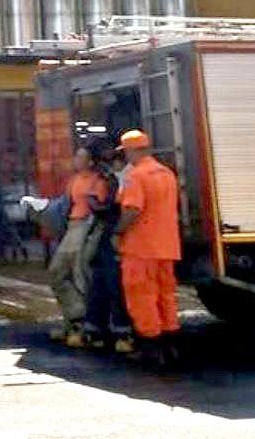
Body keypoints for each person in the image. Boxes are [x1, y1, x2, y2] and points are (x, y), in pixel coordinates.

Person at [112, 129, 181, 365]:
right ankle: (170, 344)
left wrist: (117, 231)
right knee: (166, 296)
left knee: (142, 297)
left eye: (126, 152)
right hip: (167, 246)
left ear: (131, 150)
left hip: (140, 248)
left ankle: (151, 347)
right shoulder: (167, 174)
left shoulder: (136, 176)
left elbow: (132, 209)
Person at [48, 142, 110, 347]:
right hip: (73, 227)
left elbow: (100, 209)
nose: (76, 160)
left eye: (81, 156)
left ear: (90, 161)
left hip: (86, 227)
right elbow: (66, 204)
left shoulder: (98, 181)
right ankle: (75, 317)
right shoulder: (74, 180)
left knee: (79, 274)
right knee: (57, 272)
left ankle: (81, 323)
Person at [80, 148, 133, 352]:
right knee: (102, 280)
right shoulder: (118, 178)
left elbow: (122, 208)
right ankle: (98, 328)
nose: (107, 166)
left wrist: (99, 206)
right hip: (109, 233)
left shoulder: (128, 178)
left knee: (112, 282)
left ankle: (121, 331)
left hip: (114, 233)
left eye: (110, 161)